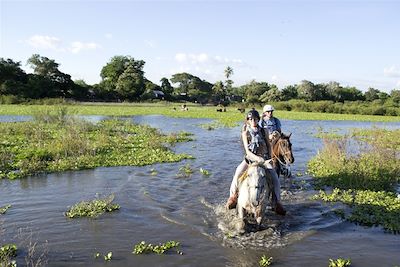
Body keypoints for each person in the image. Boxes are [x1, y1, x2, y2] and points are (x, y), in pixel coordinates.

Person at [226, 109, 286, 215]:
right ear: (248, 120)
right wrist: (257, 158)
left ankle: (277, 202)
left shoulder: (264, 130)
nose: (253, 121)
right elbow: (247, 151)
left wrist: (270, 158)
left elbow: (268, 144)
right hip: (250, 159)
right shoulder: (245, 133)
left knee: (275, 178)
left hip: (264, 159)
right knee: (238, 172)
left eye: (255, 119)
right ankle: (233, 197)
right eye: (250, 119)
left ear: (258, 119)